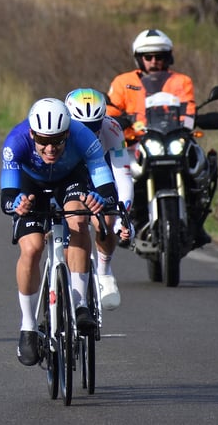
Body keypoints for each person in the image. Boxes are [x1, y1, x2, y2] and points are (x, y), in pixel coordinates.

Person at [0, 98, 119, 366]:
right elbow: (7, 193)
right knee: (31, 248)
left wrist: (103, 200)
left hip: (70, 179)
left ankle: (79, 305)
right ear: (32, 134)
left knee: (78, 221)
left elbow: (103, 178)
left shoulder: (83, 136)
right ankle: (28, 326)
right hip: (31, 184)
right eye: (43, 140)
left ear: (68, 132)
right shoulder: (15, 141)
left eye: (57, 140)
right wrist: (16, 204)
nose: (50, 148)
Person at [105, 28, 210, 248]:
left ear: (168, 57)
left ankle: (197, 219)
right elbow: (111, 109)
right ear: (139, 58)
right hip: (137, 142)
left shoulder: (181, 81)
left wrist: (191, 122)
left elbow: (188, 108)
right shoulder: (124, 82)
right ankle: (125, 218)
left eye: (159, 56)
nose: (154, 61)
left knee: (202, 163)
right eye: (148, 57)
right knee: (118, 169)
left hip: (173, 139)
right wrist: (119, 121)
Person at [64, 88, 134, 311]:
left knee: (106, 222)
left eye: (94, 126)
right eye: (81, 126)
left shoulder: (112, 128)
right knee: (73, 225)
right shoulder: (61, 128)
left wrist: (124, 215)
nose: (89, 132)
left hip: (99, 174)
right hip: (68, 176)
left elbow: (123, 174)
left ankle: (104, 271)